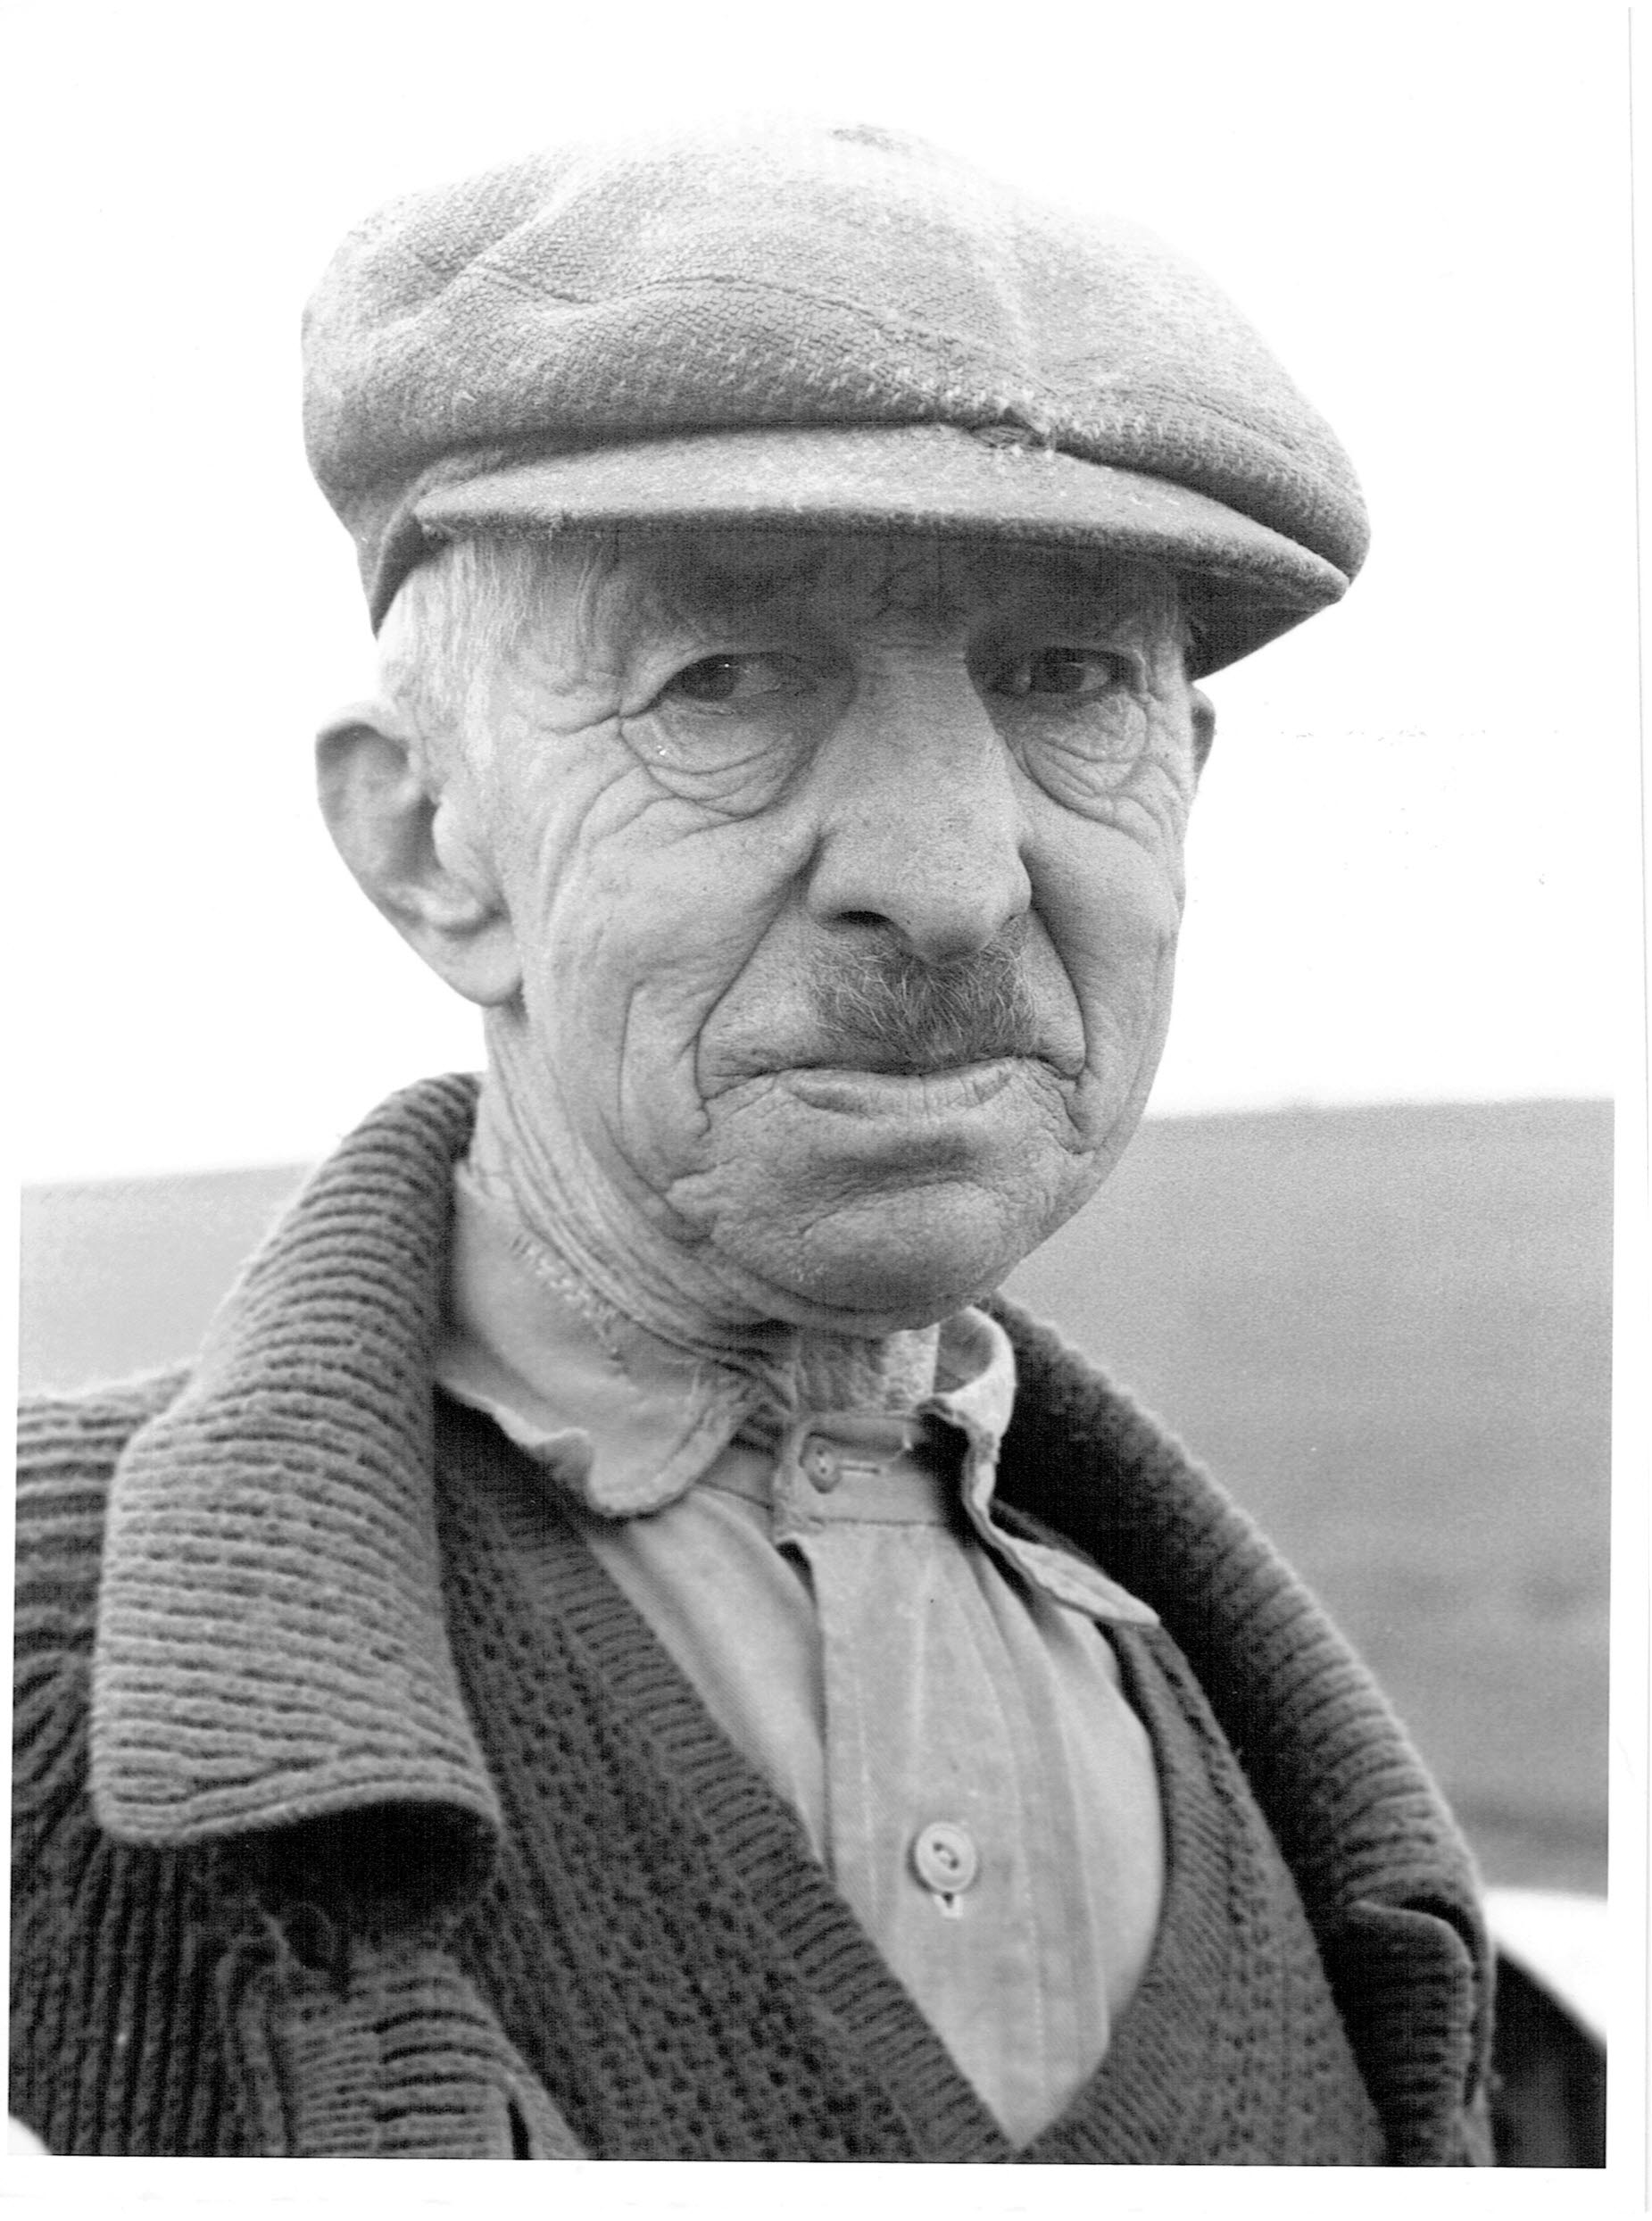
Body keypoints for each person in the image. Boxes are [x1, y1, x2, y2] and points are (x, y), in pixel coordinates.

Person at [11, 120, 1494, 2163]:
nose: (950, 878)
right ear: (428, 836)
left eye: (1066, 681)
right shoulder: (38, 1656)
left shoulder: (1300, 1785)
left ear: (1184, 781)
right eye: (724, 682)